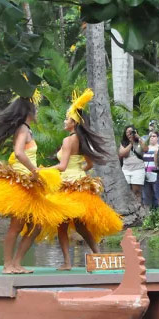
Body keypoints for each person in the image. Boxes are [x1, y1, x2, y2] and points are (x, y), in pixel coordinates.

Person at [0, 96, 83, 274]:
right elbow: (19, 153)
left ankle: (17, 262)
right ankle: (7, 265)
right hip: (22, 182)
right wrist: (35, 171)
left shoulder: (27, 129)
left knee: (36, 226)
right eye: (34, 108)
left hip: (30, 183)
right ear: (28, 112)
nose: (37, 111)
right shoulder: (22, 129)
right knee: (16, 226)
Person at [48, 89, 123, 270]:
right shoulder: (81, 139)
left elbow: (63, 166)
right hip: (80, 183)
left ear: (73, 122)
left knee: (62, 226)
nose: (64, 121)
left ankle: (67, 263)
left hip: (67, 186)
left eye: (67, 119)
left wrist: (42, 170)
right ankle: (98, 256)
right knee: (81, 226)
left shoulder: (68, 141)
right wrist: (78, 172)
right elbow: (88, 164)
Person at [119, 125, 146, 201]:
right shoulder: (123, 143)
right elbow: (122, 154)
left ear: (135, 132)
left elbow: (145, 149)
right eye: (127, 132)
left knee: (136, 191)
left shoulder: (140, 141)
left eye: (131, 132)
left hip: (138, 169)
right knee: (126, 190)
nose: (129, 133)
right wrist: (131, 143)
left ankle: (138, 209)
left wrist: (138, 138)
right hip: (126, 170)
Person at [142, 131, 159, 208]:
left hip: (156, 175)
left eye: (154, 136)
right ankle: (148, 216)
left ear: (157, 138)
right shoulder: (146, 148)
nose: (152, 138)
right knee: (146, 197)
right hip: (146, 175)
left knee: (157, 196)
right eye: (150, 136)